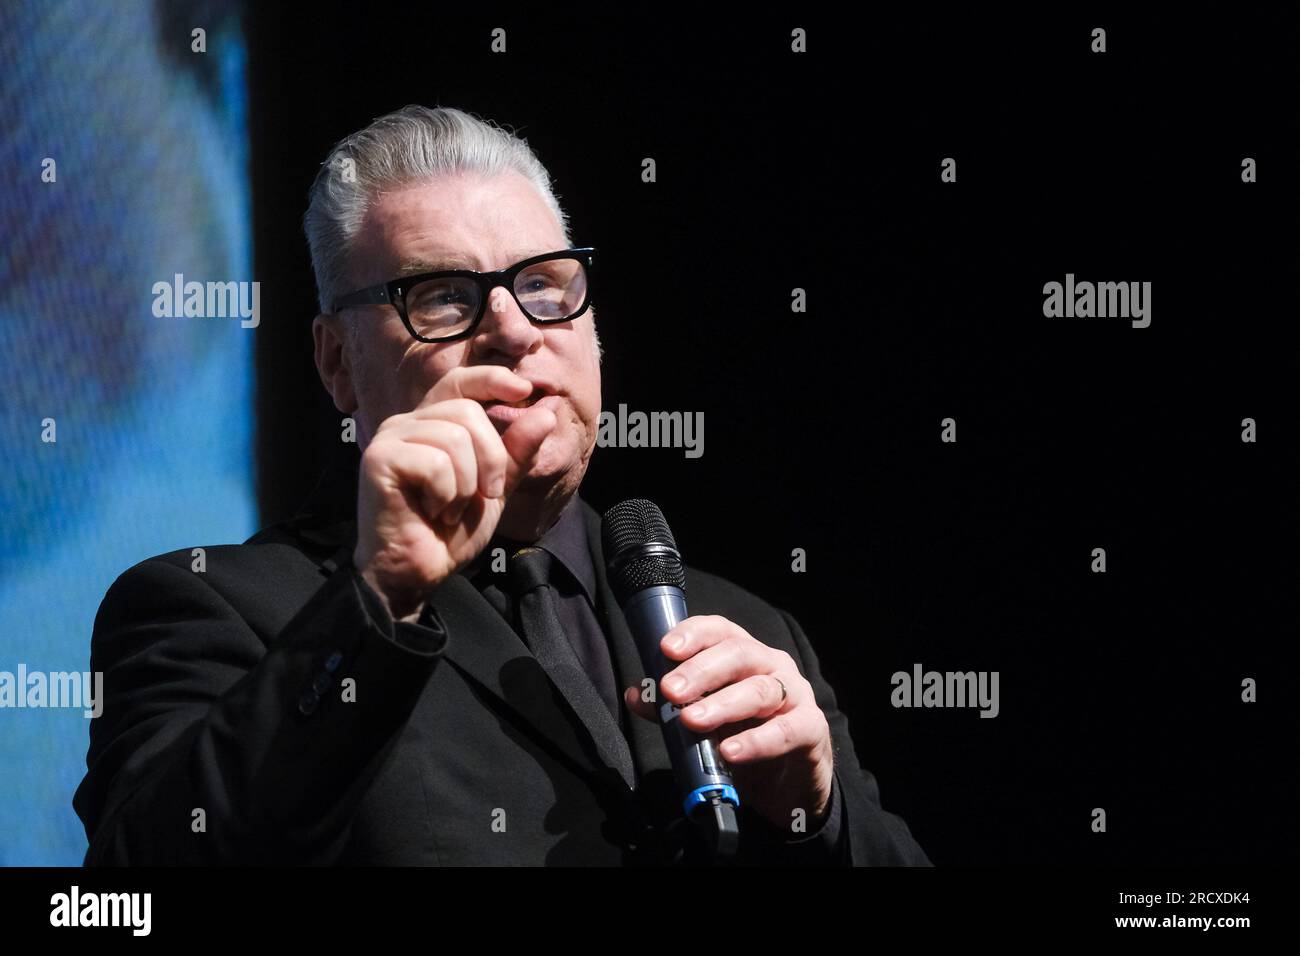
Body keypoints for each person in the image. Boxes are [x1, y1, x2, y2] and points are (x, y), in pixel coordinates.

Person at [73, 105, 931, 866]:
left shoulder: (747, 629)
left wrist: (812, 821)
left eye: (543, 284)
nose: (515, 331)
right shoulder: (209, 606)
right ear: (338, 361)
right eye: (444, 298)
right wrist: (380, 601)